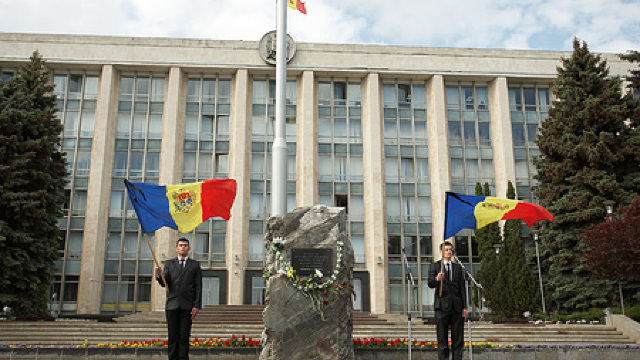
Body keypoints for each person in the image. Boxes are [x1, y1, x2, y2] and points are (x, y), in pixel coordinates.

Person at [155, 237, 202, 360]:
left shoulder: (195, 265)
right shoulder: (169, 264)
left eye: (185, 245)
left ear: (189, 248)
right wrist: (159, 276)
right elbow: (165, 283)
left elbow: (198, 286)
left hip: (187, 306)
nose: (183, 247)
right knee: (172, 336)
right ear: (176, 248)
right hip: (172, 305)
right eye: (181, 245)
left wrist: (196, 305)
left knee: (184, 337)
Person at [428, 241, 468, 360]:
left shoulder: (458, 268)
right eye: (446, 250)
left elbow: (462, 288)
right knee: (442, 340)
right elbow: (430, 283)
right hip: (441, 307)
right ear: (441, 252)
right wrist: (437, 279)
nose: (449, 252)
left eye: (451, 250)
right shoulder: (435, 266)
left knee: (458, 341)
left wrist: (464, 307)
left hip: (456, 308)